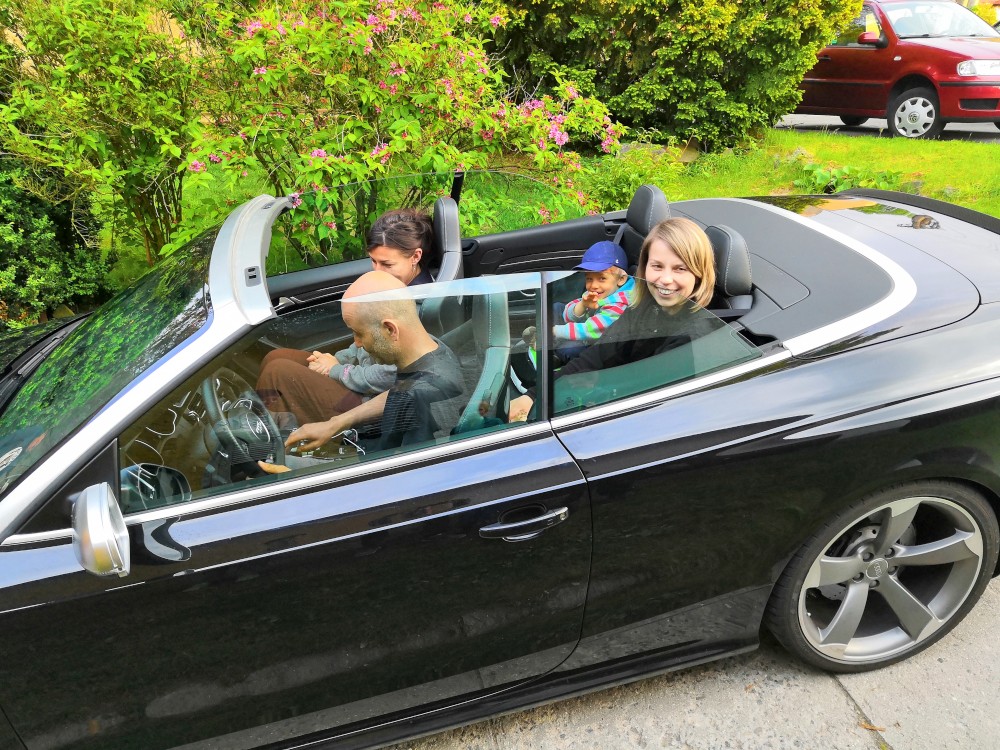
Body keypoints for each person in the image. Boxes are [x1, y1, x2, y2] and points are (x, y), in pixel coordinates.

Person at [508, 217, 717, 421]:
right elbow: (597, 355)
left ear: (699, 274)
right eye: (657, 266)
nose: (665, 279)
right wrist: (534, 395)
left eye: (680, 268)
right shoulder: (645, 307)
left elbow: (652, 409)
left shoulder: (692, 341)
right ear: (644, 267)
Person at [258, 271, 463, 473]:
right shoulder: (431, 352)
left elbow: (403, 476)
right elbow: (397, 394)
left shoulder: (427, 399)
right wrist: (336, 423)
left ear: (390, 329)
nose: (356, 343)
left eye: (359, 333)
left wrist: (295, 479)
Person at [257, 208, 437, 428]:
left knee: (278, 372)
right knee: (276, 357)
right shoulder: (391, 288)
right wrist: (336, 360)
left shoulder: (419, 308)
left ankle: (262, 435)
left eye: (387, 264)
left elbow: (393, 376)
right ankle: (272, 424)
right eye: (373, 261)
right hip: (357, 379)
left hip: (371, 405)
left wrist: (337, 370)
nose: (377, 271)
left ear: (416, 256)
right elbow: (364, 345)